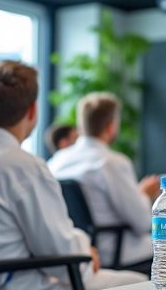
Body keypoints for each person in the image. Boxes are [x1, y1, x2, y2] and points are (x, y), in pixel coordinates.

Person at [0, 62, 146, 290]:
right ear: (33, 111)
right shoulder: (22, 166)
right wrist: (85, 249)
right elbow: (62, 258)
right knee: (142, 286)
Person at [48, 92, 158, 268]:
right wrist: (144, 194)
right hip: (113, 252)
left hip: (76, 250)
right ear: (111, 126)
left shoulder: (57, 161)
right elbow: (143, 223)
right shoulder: (112, 162)